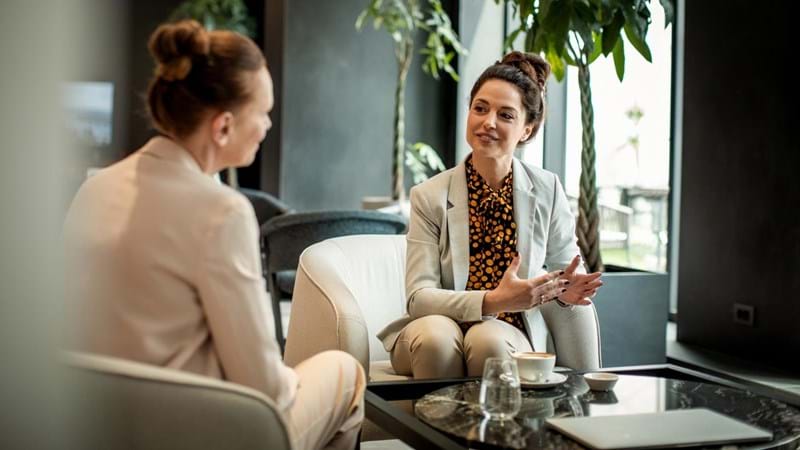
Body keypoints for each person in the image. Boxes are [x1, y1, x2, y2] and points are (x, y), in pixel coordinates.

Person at [63, 20, 364, 450]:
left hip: (92, 423)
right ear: (223, 127)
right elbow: (264, 387)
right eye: (263, 113)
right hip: (193, 430)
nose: (268, 126)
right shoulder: (222, 211)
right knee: (345, 372)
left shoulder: (94, 188)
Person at [377, 52, 604, 379]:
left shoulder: (547, 189)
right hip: (433, 324)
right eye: (480, 108)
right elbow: (419, 297)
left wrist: (567, 292)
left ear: (527, 129)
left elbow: (565, 266)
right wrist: (493, 300)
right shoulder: (429, 196)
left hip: (509, 330)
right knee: (436, 341)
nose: (488, 122)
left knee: (488, 341)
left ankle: (488, 431)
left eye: (506, 115)